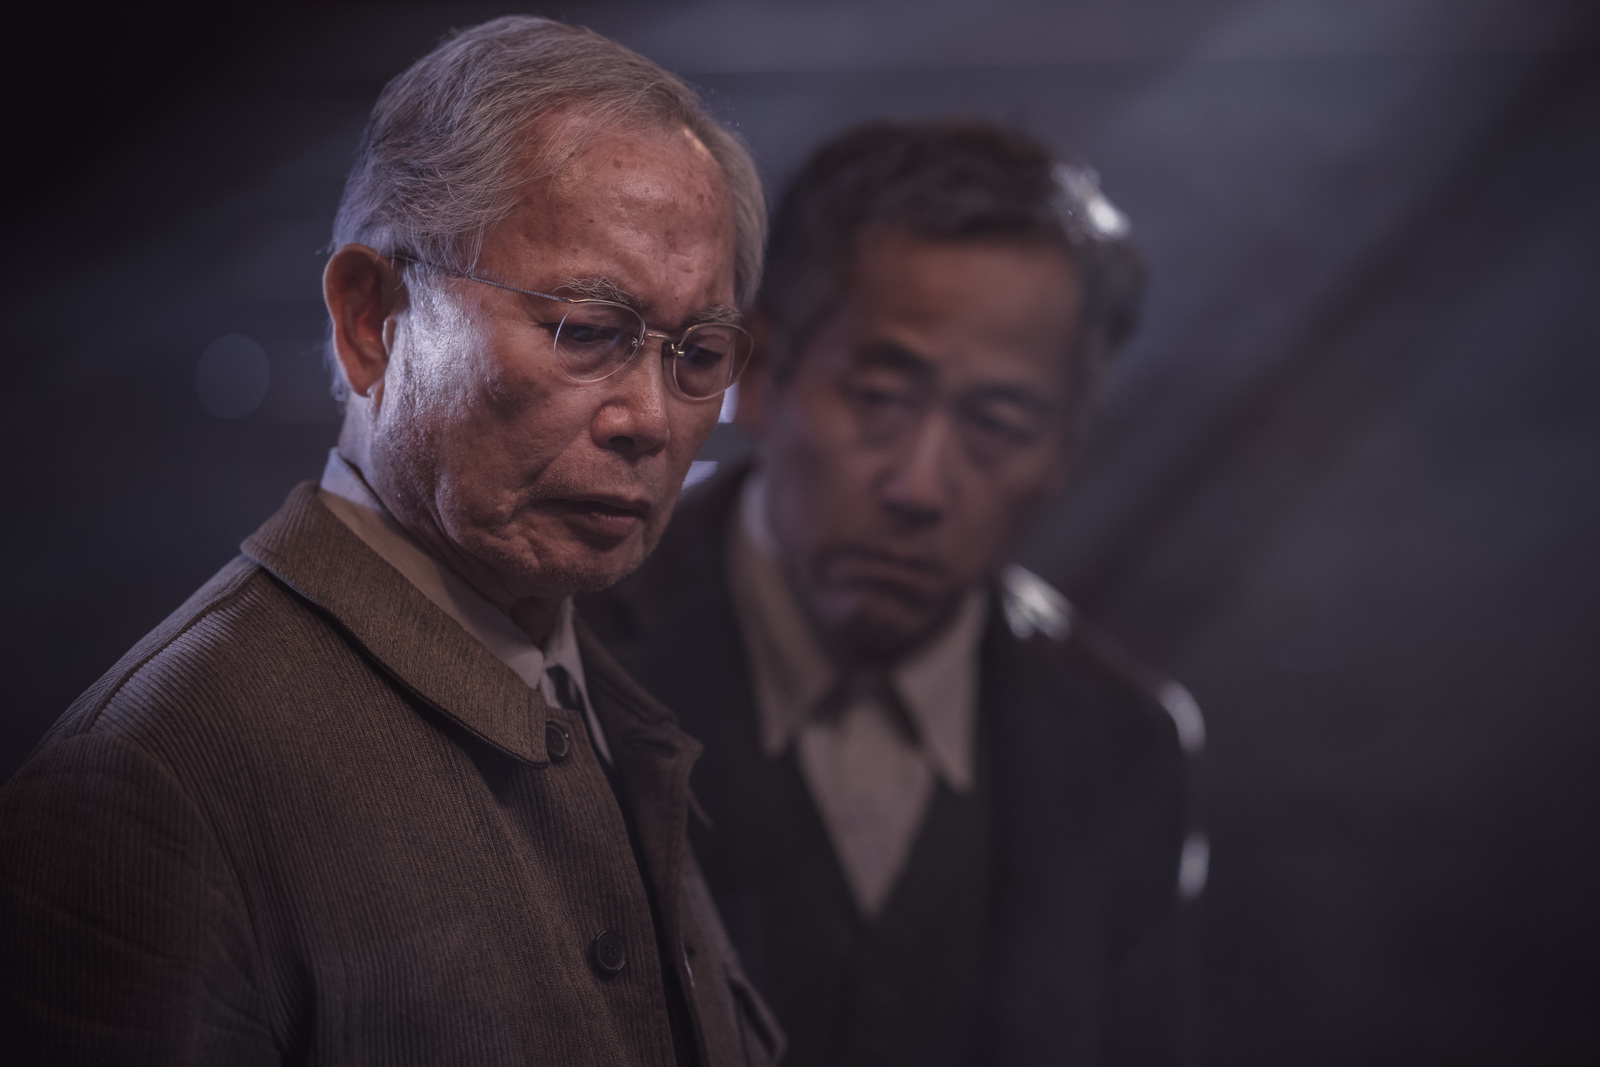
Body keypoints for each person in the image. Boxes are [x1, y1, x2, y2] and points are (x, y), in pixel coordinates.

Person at [0, 16, 783, 1066]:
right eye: (585, 330)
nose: (650, 413)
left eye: (697, 351)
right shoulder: (153, 779)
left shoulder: (594, 690)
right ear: (371, 316)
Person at [582, 120, 1203, 1066]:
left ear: (1067, 451)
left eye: (998, 420)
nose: (919, 484)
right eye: (878, 395)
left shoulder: (1124, 749)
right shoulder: (561, 655)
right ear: (762, 369)